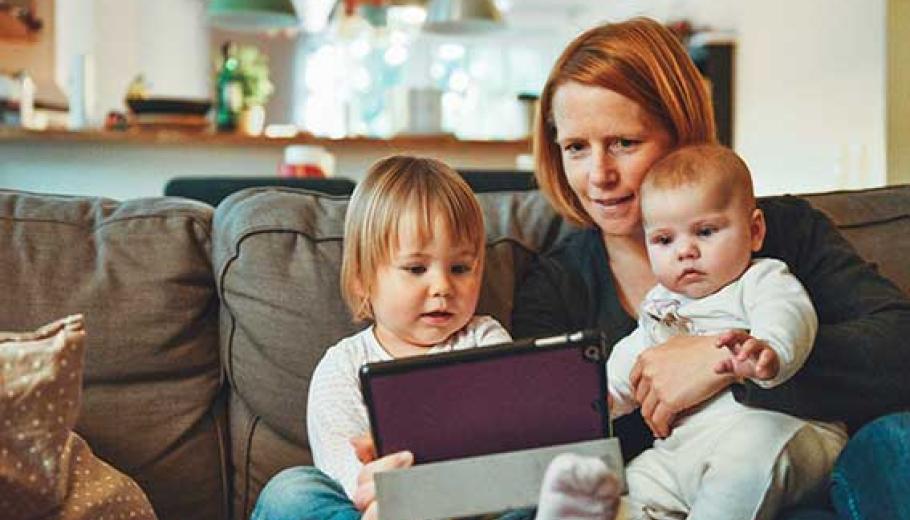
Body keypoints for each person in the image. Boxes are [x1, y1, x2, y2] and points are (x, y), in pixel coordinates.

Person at [513, 16, 910, 519]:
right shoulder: (554, 286)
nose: (599, 176)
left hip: (814, 481)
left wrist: (720, 363)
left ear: (681, 134)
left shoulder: (781, 232)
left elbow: (900, 344)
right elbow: (547, 437)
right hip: (663, 495)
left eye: (623, 143)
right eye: (576, 147)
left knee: (899, 441)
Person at [603, 144, 845, 519]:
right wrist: (602, 397)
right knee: (626, 488)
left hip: (780, 431)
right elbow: (634, 358)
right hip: (683, 452)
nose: (685, 251)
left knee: (746, 458)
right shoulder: (660, 305)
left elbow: (789, 313)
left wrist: (769, 349)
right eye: (665, 240)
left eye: (705, 231)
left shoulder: (761, 279)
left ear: (754, 231)